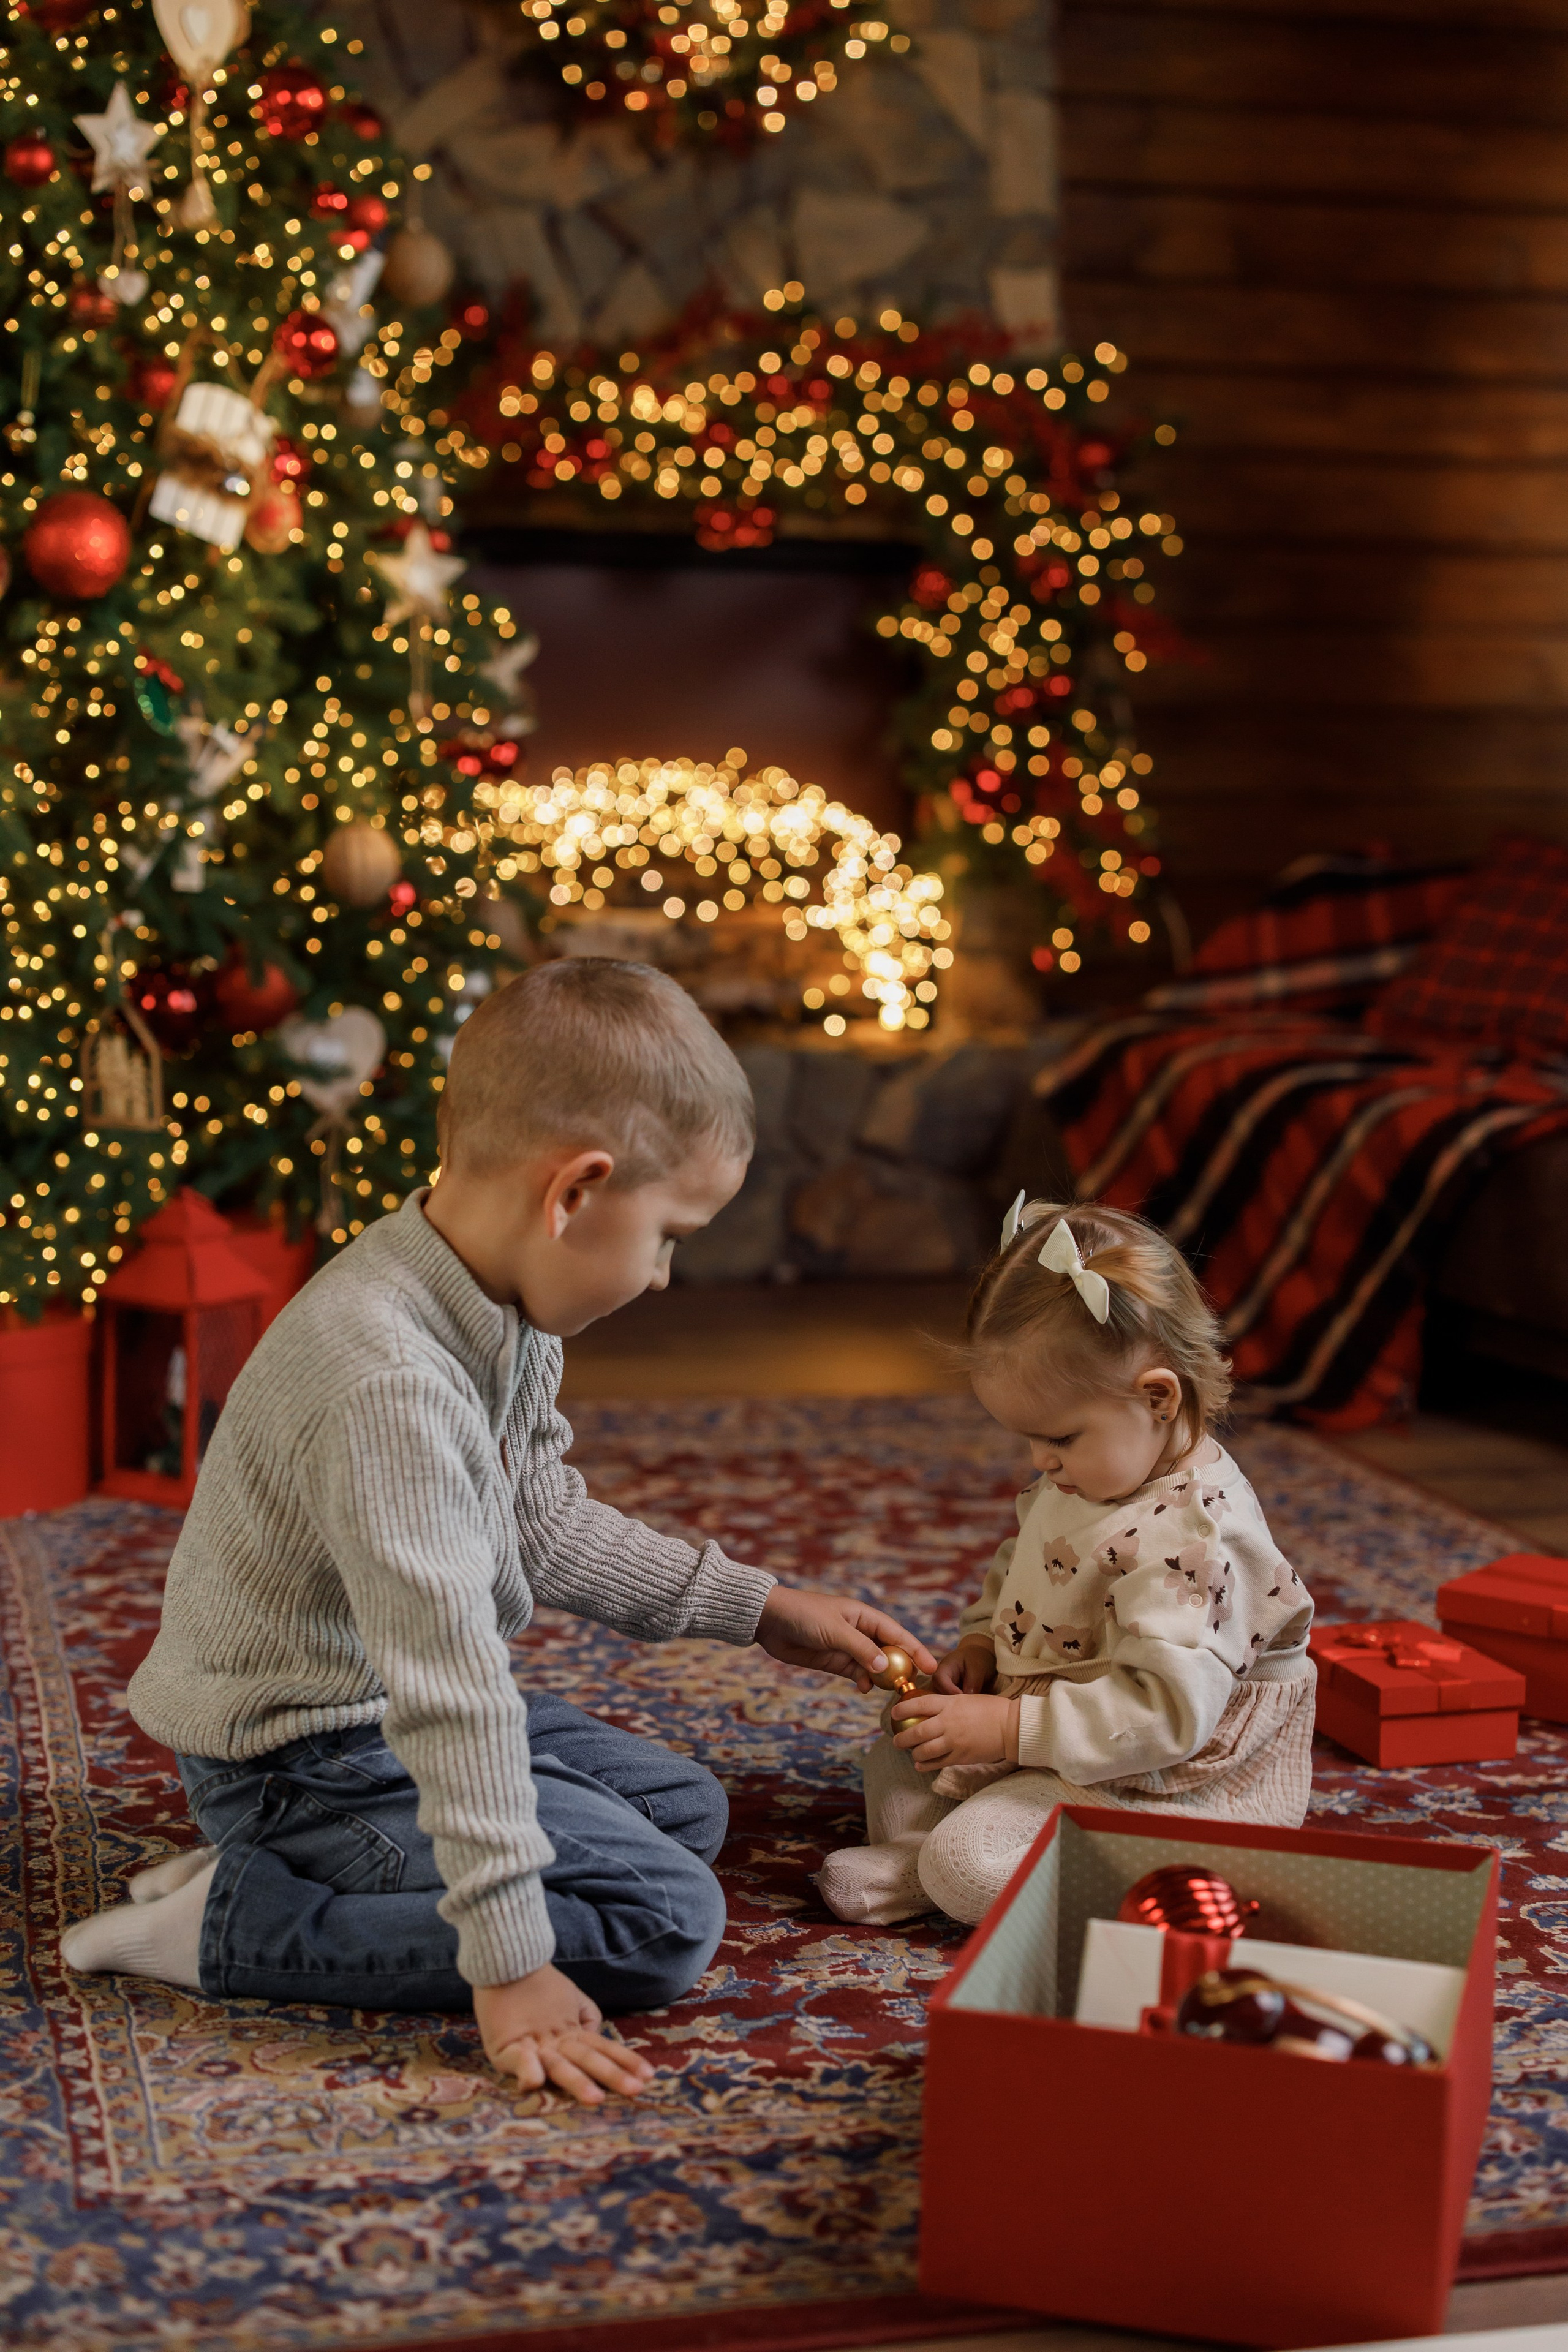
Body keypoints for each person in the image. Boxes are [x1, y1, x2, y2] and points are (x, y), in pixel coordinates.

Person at [63, 959, 936, 2106]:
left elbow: (534, 1526)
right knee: (664, 1922)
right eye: (670, 1234)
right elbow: (451, 1686)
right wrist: (512, 1963)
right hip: (305, 1758)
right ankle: (232, 1924)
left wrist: (764, 1610)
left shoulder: (493, 1301)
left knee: (687, 1810)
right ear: (575, 1192)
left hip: (367, 1718)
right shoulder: (390, 1382)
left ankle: (302, 1874)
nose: (668, 1276)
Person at [818, 1197, 1314, 1929]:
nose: (1038, 1461)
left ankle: (946, 1873)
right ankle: (939, 1858)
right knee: (902, 1749)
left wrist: (1010, 1732)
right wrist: (986, 1643)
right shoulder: (1091, 1471)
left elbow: (1168, 1718)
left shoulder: (1195, 1543)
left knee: (968, 1862)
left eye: (1057, 1437)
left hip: (1168, 1777)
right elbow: (1024, 1564)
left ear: (1156, 1397)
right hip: (1072, 1723)